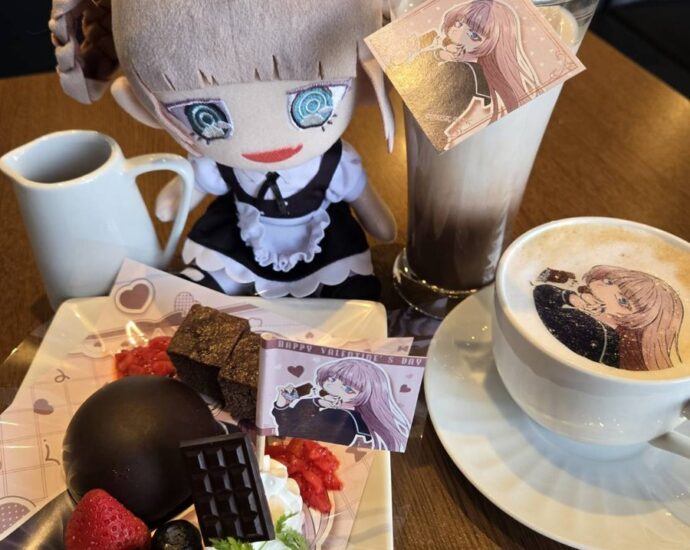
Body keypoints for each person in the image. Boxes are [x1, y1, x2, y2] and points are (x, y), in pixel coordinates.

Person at [50, 0, 396, 300]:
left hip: (320, 242)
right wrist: (176, 198)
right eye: (205, 116)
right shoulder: (219, 166)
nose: (263, 138)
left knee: (350, 291)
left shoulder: (336, 162)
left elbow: (371, 211)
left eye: (313, 104)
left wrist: (382, 226)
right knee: (205, 292)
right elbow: (190, 189)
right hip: (240, 241)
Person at [390, 0, 537, 148]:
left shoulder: (467, 72)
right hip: (426, 132)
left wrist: (437, 55)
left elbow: (422, 84)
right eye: (458, 24)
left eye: (473, 35)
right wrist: (438, 54)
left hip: (438, 134)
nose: (459, 32)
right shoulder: (442, 49)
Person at [534, 265, 684, 371]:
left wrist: (568, 297)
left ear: (636, 319)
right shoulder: (617, 343)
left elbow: (540, 301)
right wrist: (572, 298)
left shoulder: (588, 327)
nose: (601, 288)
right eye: (609, 282)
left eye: (623, 301)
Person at [273, 358, 411, 451]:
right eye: (332, 379)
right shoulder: (356, 418)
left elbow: (290, 433)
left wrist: (314, 403)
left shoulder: (339, 416)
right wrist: (282, 405)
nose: (333, 387)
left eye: (348, 389)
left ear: (365, 395)